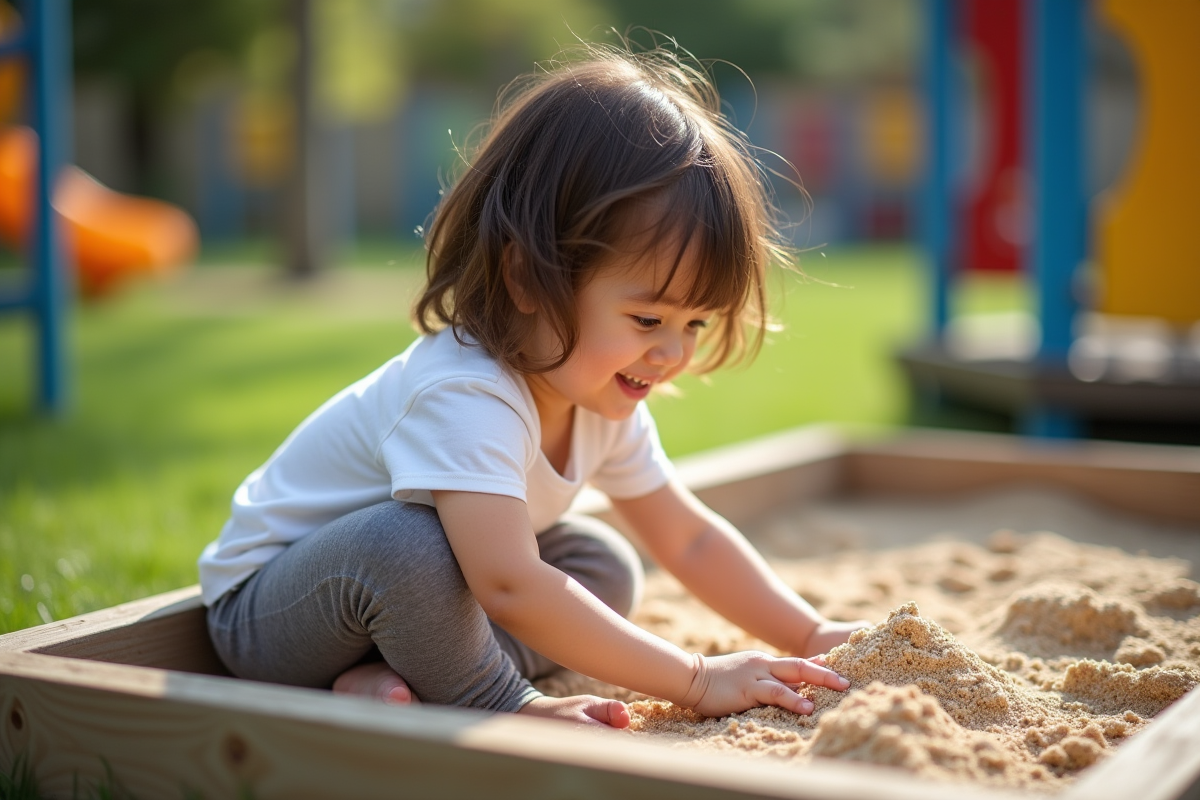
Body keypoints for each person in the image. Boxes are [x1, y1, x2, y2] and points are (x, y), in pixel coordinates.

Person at [198, 44, 868, 730]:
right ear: (526, 277)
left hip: (409, 607)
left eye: (695, 322)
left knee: (596, 560)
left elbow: (688, 539)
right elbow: (509, 585)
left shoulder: (601, 392)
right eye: (647, 318)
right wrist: (695, 679)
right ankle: (495, 699)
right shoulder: (466, 392)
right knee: (410, 545)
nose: (672, 352)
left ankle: (404, 676)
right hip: (275, 618)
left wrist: (808, 632)